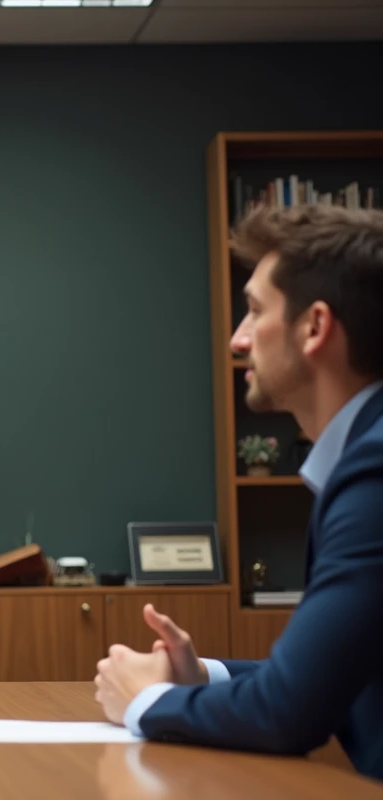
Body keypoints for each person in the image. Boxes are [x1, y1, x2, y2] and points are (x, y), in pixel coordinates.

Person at [94, 204, 383, 778]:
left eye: (254, 310)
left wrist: (145, 701)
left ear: (315, 327)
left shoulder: (373, 471)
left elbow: (289, 713)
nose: (238, 338)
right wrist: (201, 676)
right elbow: (326, 678)